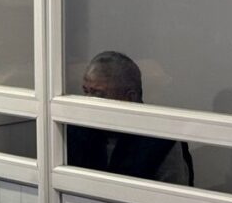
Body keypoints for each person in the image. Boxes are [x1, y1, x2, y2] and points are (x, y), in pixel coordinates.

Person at [67, 51, 192, 185]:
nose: (88, 101)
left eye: (98, 94)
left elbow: (171, 196)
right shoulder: (76, 130)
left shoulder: (162, 140)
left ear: (130, 97)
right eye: (86, 91)